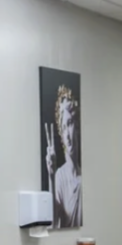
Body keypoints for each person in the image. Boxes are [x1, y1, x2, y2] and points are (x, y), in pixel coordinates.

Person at [47, 83, 80, 228]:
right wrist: (51, 176)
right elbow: (53, 222)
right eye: (64, 127)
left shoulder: (85, 177)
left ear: (77, 126)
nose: (67, 134)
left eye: (70, 124)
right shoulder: (60, 176)